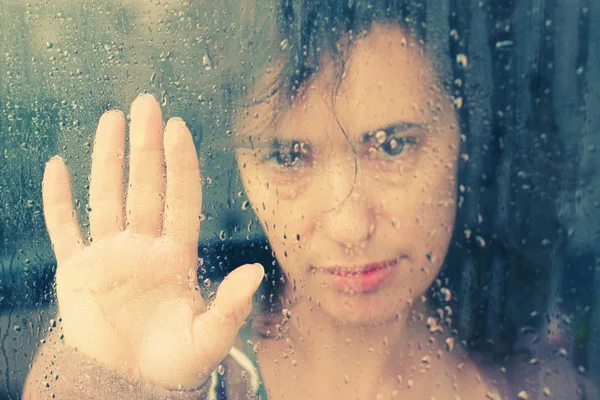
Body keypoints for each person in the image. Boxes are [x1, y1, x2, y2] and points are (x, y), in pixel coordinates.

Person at [22, 1, 593, 399]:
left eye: (393, 146)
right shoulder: (193, 367)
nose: (349, 225)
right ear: (240, 166)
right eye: (288, 155)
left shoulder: (539, 385)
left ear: (467, 139)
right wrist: (114, 383)